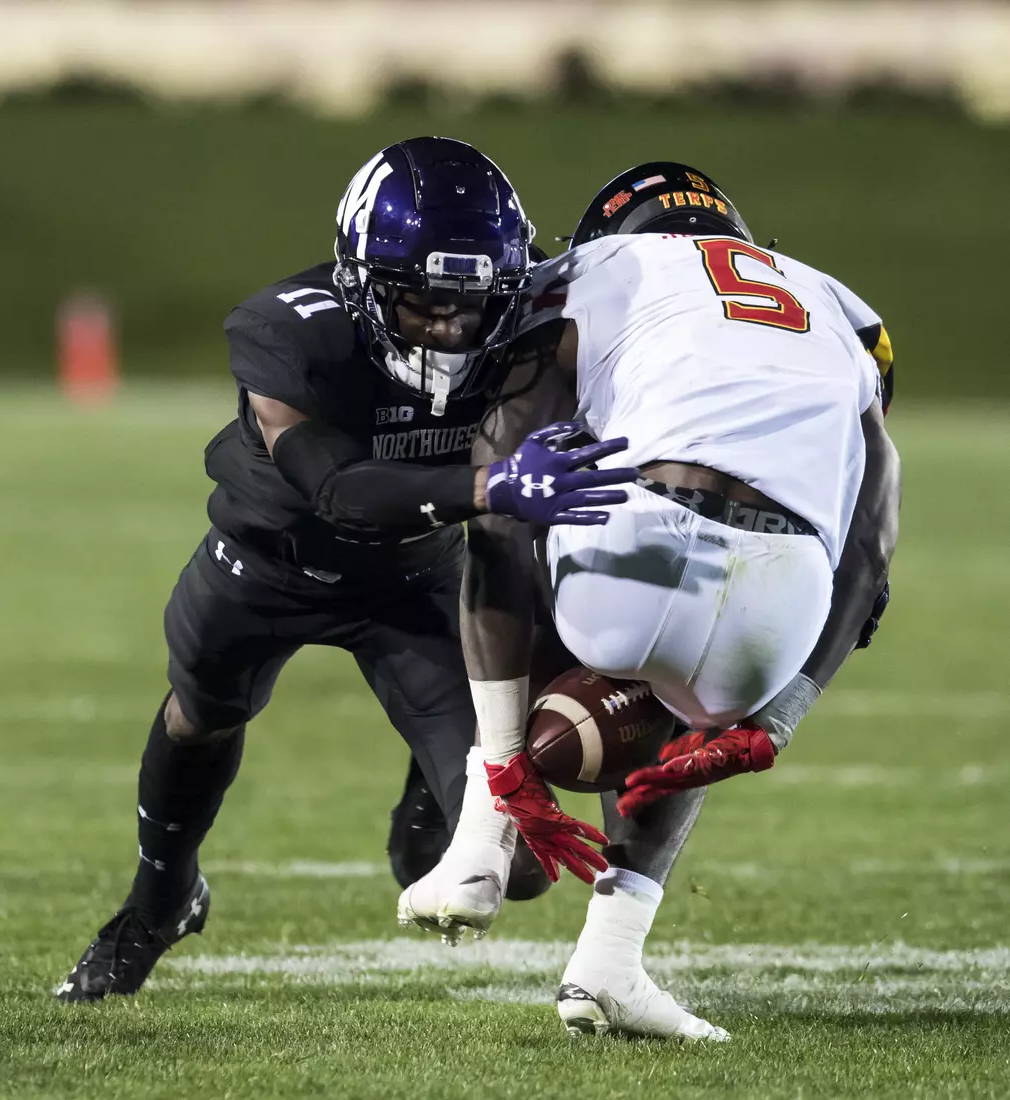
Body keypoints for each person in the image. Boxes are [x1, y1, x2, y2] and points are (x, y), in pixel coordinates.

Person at [55, 137, 634, 1002]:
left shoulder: (535, 316)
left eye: (471, 305)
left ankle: (425, 793)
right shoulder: (289, 328)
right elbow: (336, 489)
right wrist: (493, 484)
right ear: (362, 284)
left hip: (419, 579)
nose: (448, 327)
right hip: (266, 564)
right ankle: (158, 902)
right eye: (421, 303)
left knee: (514, 869)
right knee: (199, 714)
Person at [399, 162, 900, 1040]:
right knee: (672, 708)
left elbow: (509, 475)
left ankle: (483, 834)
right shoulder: (840, 309)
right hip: (778, 608)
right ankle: (610, 962)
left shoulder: (595, 272)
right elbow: (867, 551)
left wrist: (511, 756)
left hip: (631, 558)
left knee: (517, 493)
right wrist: (772, 718)